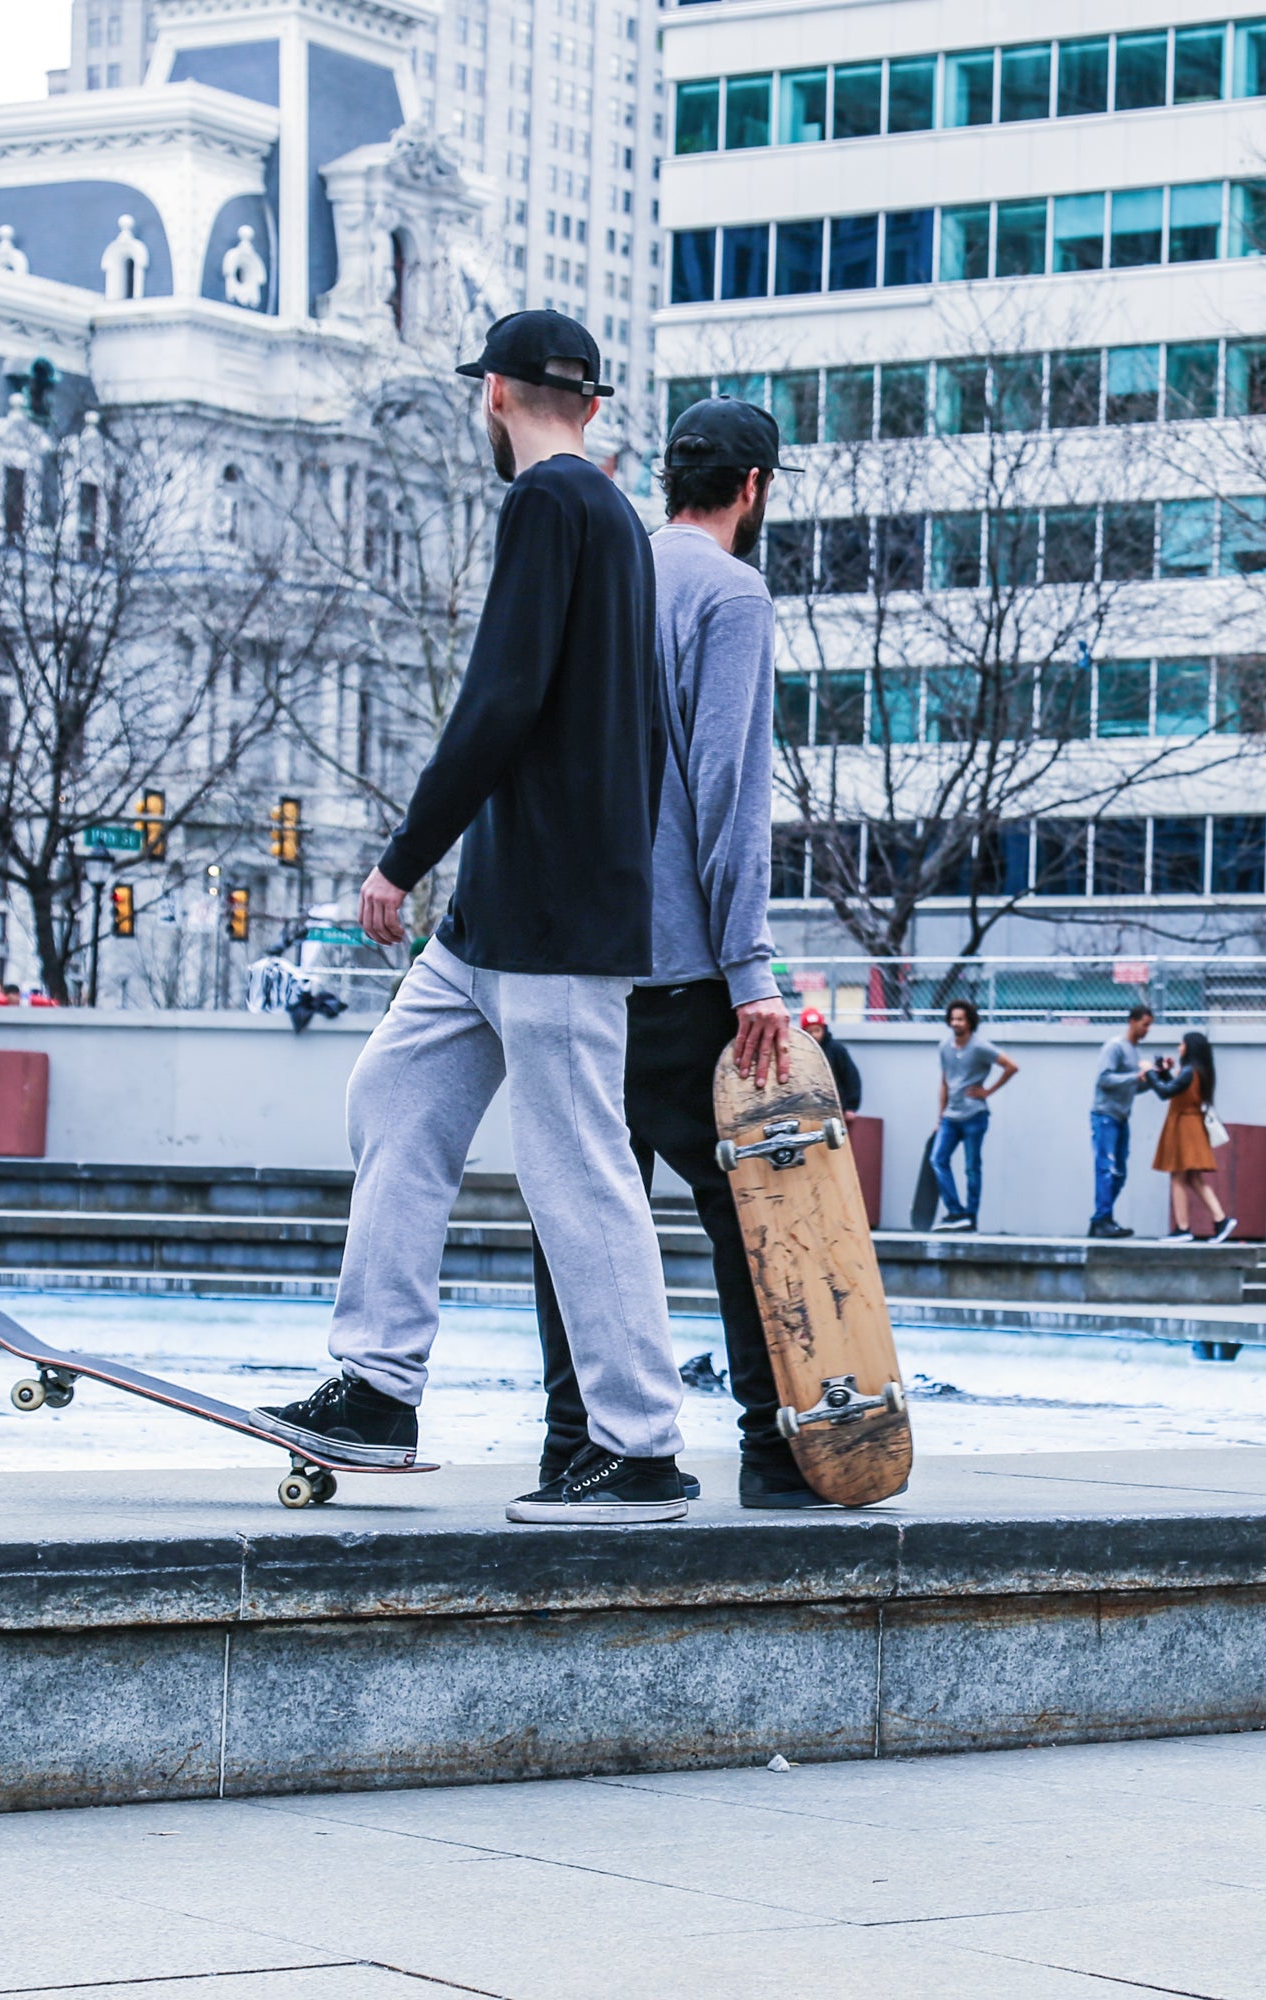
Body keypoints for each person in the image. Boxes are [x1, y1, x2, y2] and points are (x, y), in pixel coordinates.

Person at [253, 311, 692, 1525]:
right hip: (500, 916)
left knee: (578, 1172)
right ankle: (378, 1385)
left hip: (549, 918)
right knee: (394, 1092)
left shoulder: (551, 504)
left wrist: (402, 857)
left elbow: (498, 696)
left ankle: (639, 1444)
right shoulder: (613, 521)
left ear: (492, 394)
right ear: (590, 402)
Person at [527, 394, 812, 1511]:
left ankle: (573, 1442)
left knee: (582, 1208)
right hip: (681, 966)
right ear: (756, 488)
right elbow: (730, 788)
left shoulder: (612, 570)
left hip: (570, 957)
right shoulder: (731, 593)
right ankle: (775, 1448)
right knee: (742, 1202)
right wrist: (754, 969)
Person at [931, 999, 1016, 1231]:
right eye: (953, 1019)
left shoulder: (980, 1047)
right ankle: (955, 1212)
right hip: (951, 1116)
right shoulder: (945, 1047)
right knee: (937, 1159)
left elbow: (1011, 1066)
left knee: (971, 1167)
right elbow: (944, 1082)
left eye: (960, 1019)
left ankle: (970, 1216)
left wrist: (988, 1091)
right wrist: (940, 1117)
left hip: (974, 1115)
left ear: (969, 1022)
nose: (956, 1023)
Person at [1148, 1029, 1236, 1241]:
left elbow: (1165, 1092)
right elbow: (1175, 1089)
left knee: (1177, 1175)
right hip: (1192, 1125)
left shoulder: (1189, 1071)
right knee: (1193, 1177)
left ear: (1189, 1047)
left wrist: (1150, 1073)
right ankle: (1220, 1220)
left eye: (1182, 1044)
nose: (1179, 1047)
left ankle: (1183, 1227)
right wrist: (1164, 1073)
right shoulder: (1198, 1071)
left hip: (1183, 1126)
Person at [1088, 1004, 1155, 1238]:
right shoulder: (1115, 1047)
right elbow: (1103, 1079)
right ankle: (1103, 1219)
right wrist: (1135, 1075)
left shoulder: (1134, 1051)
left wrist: (1151, 1078)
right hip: (1105, 1114)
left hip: (1121, 1116)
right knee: (1106, 1168)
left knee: (1119, 1172)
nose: (1147, 1030)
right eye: (1144, 1025)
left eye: (1149, 1026)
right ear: (1132, 1021)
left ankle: (1101, 1219)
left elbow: (1132, 1088)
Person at [800, 1006, 860, 1112]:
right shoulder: (799, 1052)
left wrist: (851, 1106)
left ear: (823, 1029)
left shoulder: (836, 1049)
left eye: (817, 1030)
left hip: (835, 1106)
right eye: (810, 1031)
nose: (814, 1035)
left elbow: (851, 1077)